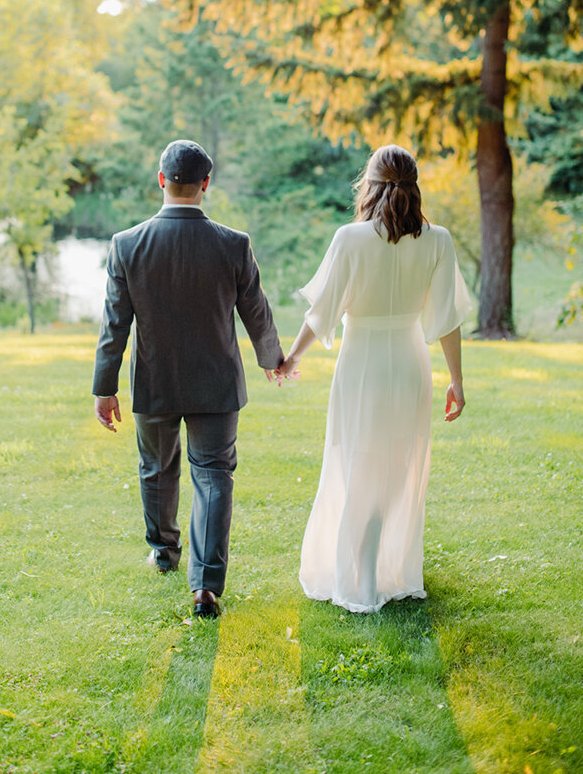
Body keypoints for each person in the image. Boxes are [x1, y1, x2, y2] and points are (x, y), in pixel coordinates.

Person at [275, 144, 471, 614]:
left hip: (362, 363)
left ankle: (360, 576)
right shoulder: (437, 240)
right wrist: (457, 381)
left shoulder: (350, 238)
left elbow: (321, 312)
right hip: (408, 363)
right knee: (396, 464)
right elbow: (446, 319)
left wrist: (289, 357)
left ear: (369, 183)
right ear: (414, 184)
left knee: (356, 460)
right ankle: (386, 571)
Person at [92, 139, 284, 618]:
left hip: (155, 382)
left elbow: (115, 322)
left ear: (161, 180)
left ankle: (163, 551)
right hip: (216, 383)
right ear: (205, 185)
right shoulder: (232, 243)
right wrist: (271, 358)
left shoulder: (127, 244)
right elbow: (255, 309)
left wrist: (105, 387)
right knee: (214, 477)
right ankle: (206, 586)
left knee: (157, 469)